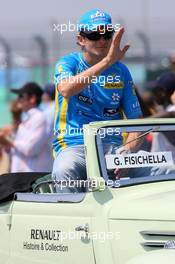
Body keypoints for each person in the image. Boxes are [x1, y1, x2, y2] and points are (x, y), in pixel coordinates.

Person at [52, 9, 143, 188]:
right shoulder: (68, 63)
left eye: (107, 34)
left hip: (113, 148)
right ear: (81, 39)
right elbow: (65, 89)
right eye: (94, 35)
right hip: (75, 145)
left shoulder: (122, 71)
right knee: (64, 171)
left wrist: (129, 151)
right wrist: (107, 62)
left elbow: (137, 122)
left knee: (165, 169)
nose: (102, 41)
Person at [0, 82, 53, 173]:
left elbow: (30, 149)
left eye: (21, 96)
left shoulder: (40, 118)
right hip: (23, 176)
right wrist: (6, 144)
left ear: (32, 99)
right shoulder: (27, 119)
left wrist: (10, 142)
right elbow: (18, 150)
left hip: (32, 178)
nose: (18, 99)